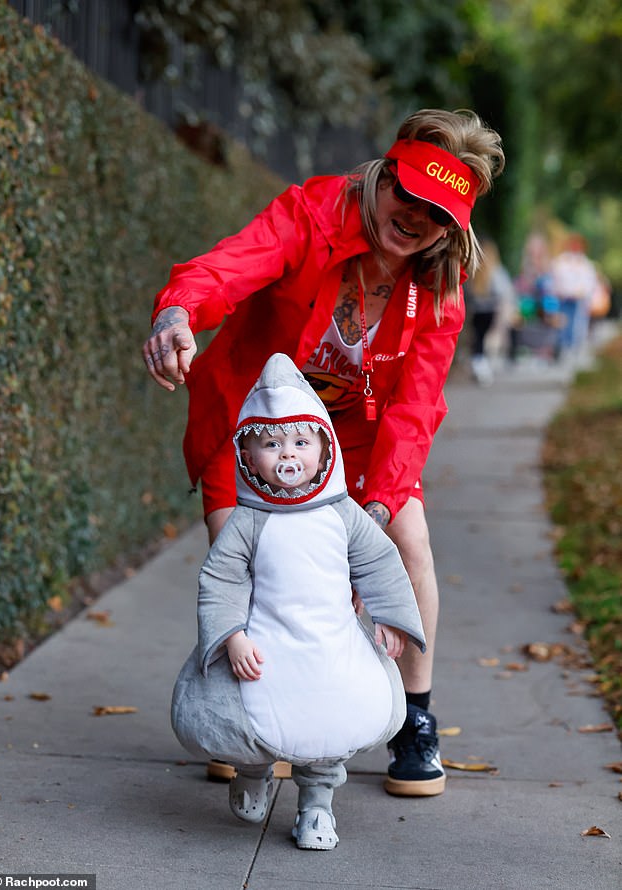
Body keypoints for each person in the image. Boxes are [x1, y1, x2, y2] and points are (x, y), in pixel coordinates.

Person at [143, 108, 505, 797]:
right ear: (385, 173)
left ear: (453, 227)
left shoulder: (440, 292)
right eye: (407, 194)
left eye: (438, 214)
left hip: (362, 438)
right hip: (259, 424)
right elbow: (226, 268)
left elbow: (416, 407)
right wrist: (177, 312)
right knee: (248, 558)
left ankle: (415, 717)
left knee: (409, 539)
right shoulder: (310, 214)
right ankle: (242, 718)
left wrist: (373, 507)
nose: (414, 218)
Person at [171, 352, 426, 850]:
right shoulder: (247, 522)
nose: (287, 455)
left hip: (331, 646)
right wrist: (231, 635)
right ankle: (252, 771)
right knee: (254, 722)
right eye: (270, 443)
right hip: (263, 648)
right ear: (247, 453)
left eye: (300, 441)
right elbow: (219, 579)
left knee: (329, 727)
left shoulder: (343, 514)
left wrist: (391, 618)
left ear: (324, 447)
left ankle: (316, 807)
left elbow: (379, 561)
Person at [464, 237, 516, 385]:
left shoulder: (474, 270)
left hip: (477, 311)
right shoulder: (497, 272)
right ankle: (483, 366)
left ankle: (479, 365)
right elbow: (504, 293)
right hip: (492, 311)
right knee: (490, 341)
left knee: (478, 340)